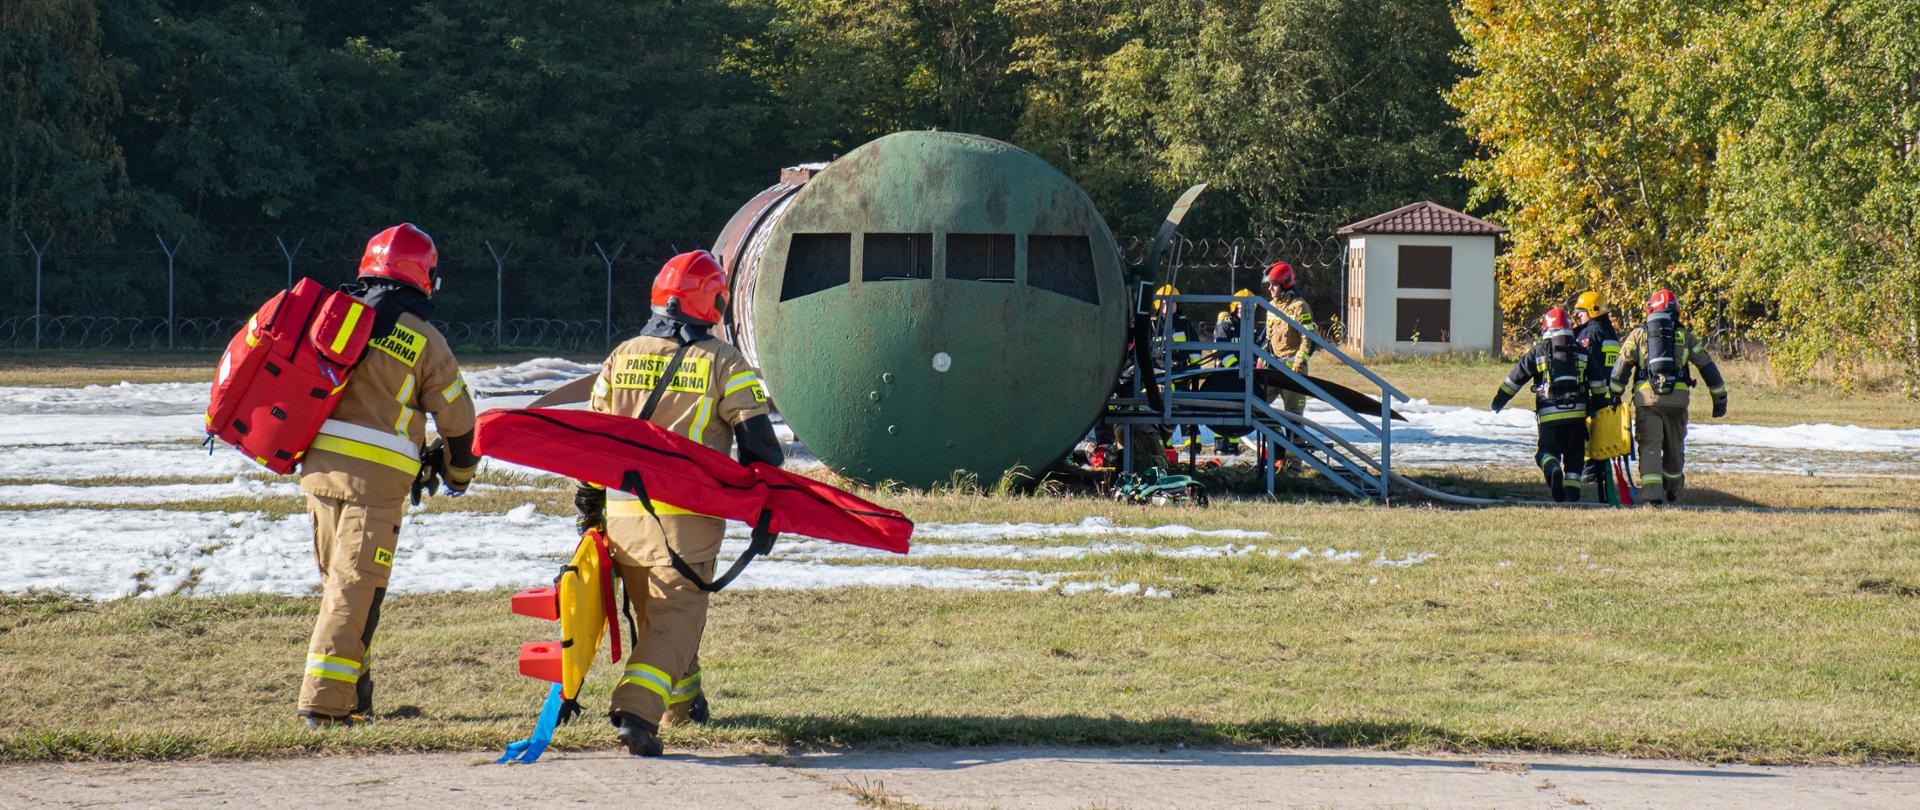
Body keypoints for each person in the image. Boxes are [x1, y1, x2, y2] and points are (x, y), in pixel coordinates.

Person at [573, 250, 783, 756]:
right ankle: (637, 713)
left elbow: (592, 441)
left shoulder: (621, 355)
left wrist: (589, 511)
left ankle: (684, 705)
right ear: (710, 302)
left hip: (624, 515)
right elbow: (760, 448)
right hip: (686, 519)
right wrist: (769, 508)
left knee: (658, 615)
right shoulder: (723, 361)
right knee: (676, 617)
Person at [298, 223, 476, 727]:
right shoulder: (423, 339)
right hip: (374, 487)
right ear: (424, 275)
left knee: (346, 588)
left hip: (317, 474)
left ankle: (356, 697)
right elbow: (459, 421)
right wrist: (458, 473)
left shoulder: (332, 317)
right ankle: (323, 706)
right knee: (356, 590)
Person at [1610, 289, 1728, 503]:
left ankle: (1652, 495)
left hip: (1648, 402)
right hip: (1677, 402)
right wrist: (1719, 398)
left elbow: (1622, 367)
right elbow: (1707, 366)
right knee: (1675, 447)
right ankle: (1673, 488)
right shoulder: (1686, 337)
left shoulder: (1639, 335)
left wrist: (1615, 393)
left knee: (1650, 446)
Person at [1491, 307, 1607, 502]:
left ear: (1547, 327)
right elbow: (1598, 383)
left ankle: (1552, 468)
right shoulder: (1581, 351)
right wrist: (1600, 406)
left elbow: (1515, 379)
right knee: (1575, 456)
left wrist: (1498, 401)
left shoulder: (1538, 352)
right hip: (1577, 417)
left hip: (1549, 416)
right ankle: (1571, 493)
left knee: (1545, 452)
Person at [1572, 291, 1626, 499]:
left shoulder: (1590, 334)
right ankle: (1597, 471)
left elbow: (1584, 362)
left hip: (1593, 392)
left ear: (1593, 311)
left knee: (1587, 433)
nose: (1578, 317)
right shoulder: (1609, 332)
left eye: (1581, 312)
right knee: (1602, 433)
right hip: (1609, 391)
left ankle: (1589, 473)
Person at [1264, 263, 1315, 470]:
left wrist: (1299, 361)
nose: (1270, 289)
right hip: (1273, 368)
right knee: (1257, 404)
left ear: (1285, 285)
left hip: (1293, 370)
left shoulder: (1299, 307)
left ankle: (1294, 465)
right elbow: (1268, 339)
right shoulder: (1271, 307)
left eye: (1273, 285)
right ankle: (1277, 450)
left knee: (1293, 417)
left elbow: (1307, 338)